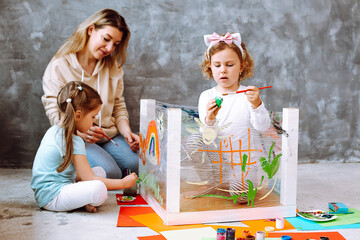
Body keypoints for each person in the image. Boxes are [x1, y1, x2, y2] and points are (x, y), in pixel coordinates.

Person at [41, 9, 139, 179]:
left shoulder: (113, 68)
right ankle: (77, 174)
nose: (109, 48)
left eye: (115, 44)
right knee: (110, 173)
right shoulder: (60, 65)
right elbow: (54, 111)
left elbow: (118, 107)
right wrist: (79, 133)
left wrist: (127, 132)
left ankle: (90, 171)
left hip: (108, 136)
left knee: (139, 164)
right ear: (91, 30)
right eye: (106, 39)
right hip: (75, 137)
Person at [31, 81, 138, 213]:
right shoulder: (74, 140)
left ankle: (80, 200)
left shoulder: (55, 130)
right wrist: (123, 183)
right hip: (52, 196)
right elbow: (90, 179)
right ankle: (81, 201)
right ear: (78, 115)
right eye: (93, 117)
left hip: (51, 189)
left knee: (99, 171)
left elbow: (83, 175)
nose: (94, 121)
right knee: (99, 189)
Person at [198, 32, 271, 200]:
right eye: (217, 65)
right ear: (210, 67)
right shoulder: (206, 97)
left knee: (241, 196)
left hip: (244, 164)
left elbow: (263, 127)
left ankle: (234, 183)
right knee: (194, 139)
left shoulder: (248, 95)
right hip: (218, 163)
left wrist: (257, 105)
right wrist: (210, 120)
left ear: (242, 66)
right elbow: (207, 139)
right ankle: (215, 181)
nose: (223, 70)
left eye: (229, 64)